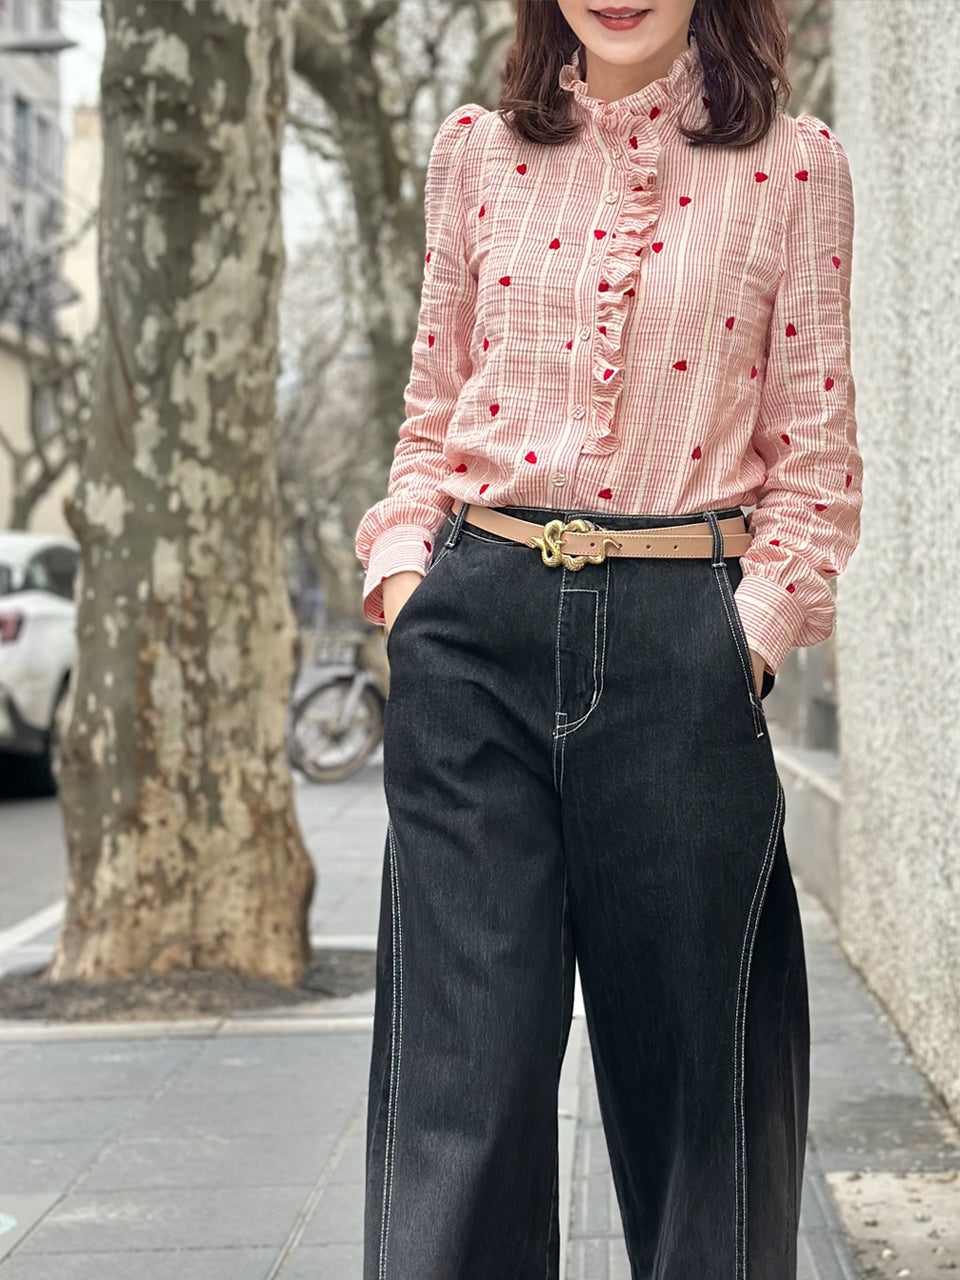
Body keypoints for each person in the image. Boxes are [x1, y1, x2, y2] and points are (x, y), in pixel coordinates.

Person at [353, 0, 862, 1275]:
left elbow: (815, 463)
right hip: (475, 635)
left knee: (706, 1106)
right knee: (461, 1098)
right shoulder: (473, 151)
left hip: (683, 640)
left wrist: (741, 641)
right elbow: (431, 410)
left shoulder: (796, 167)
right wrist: (409, 586)